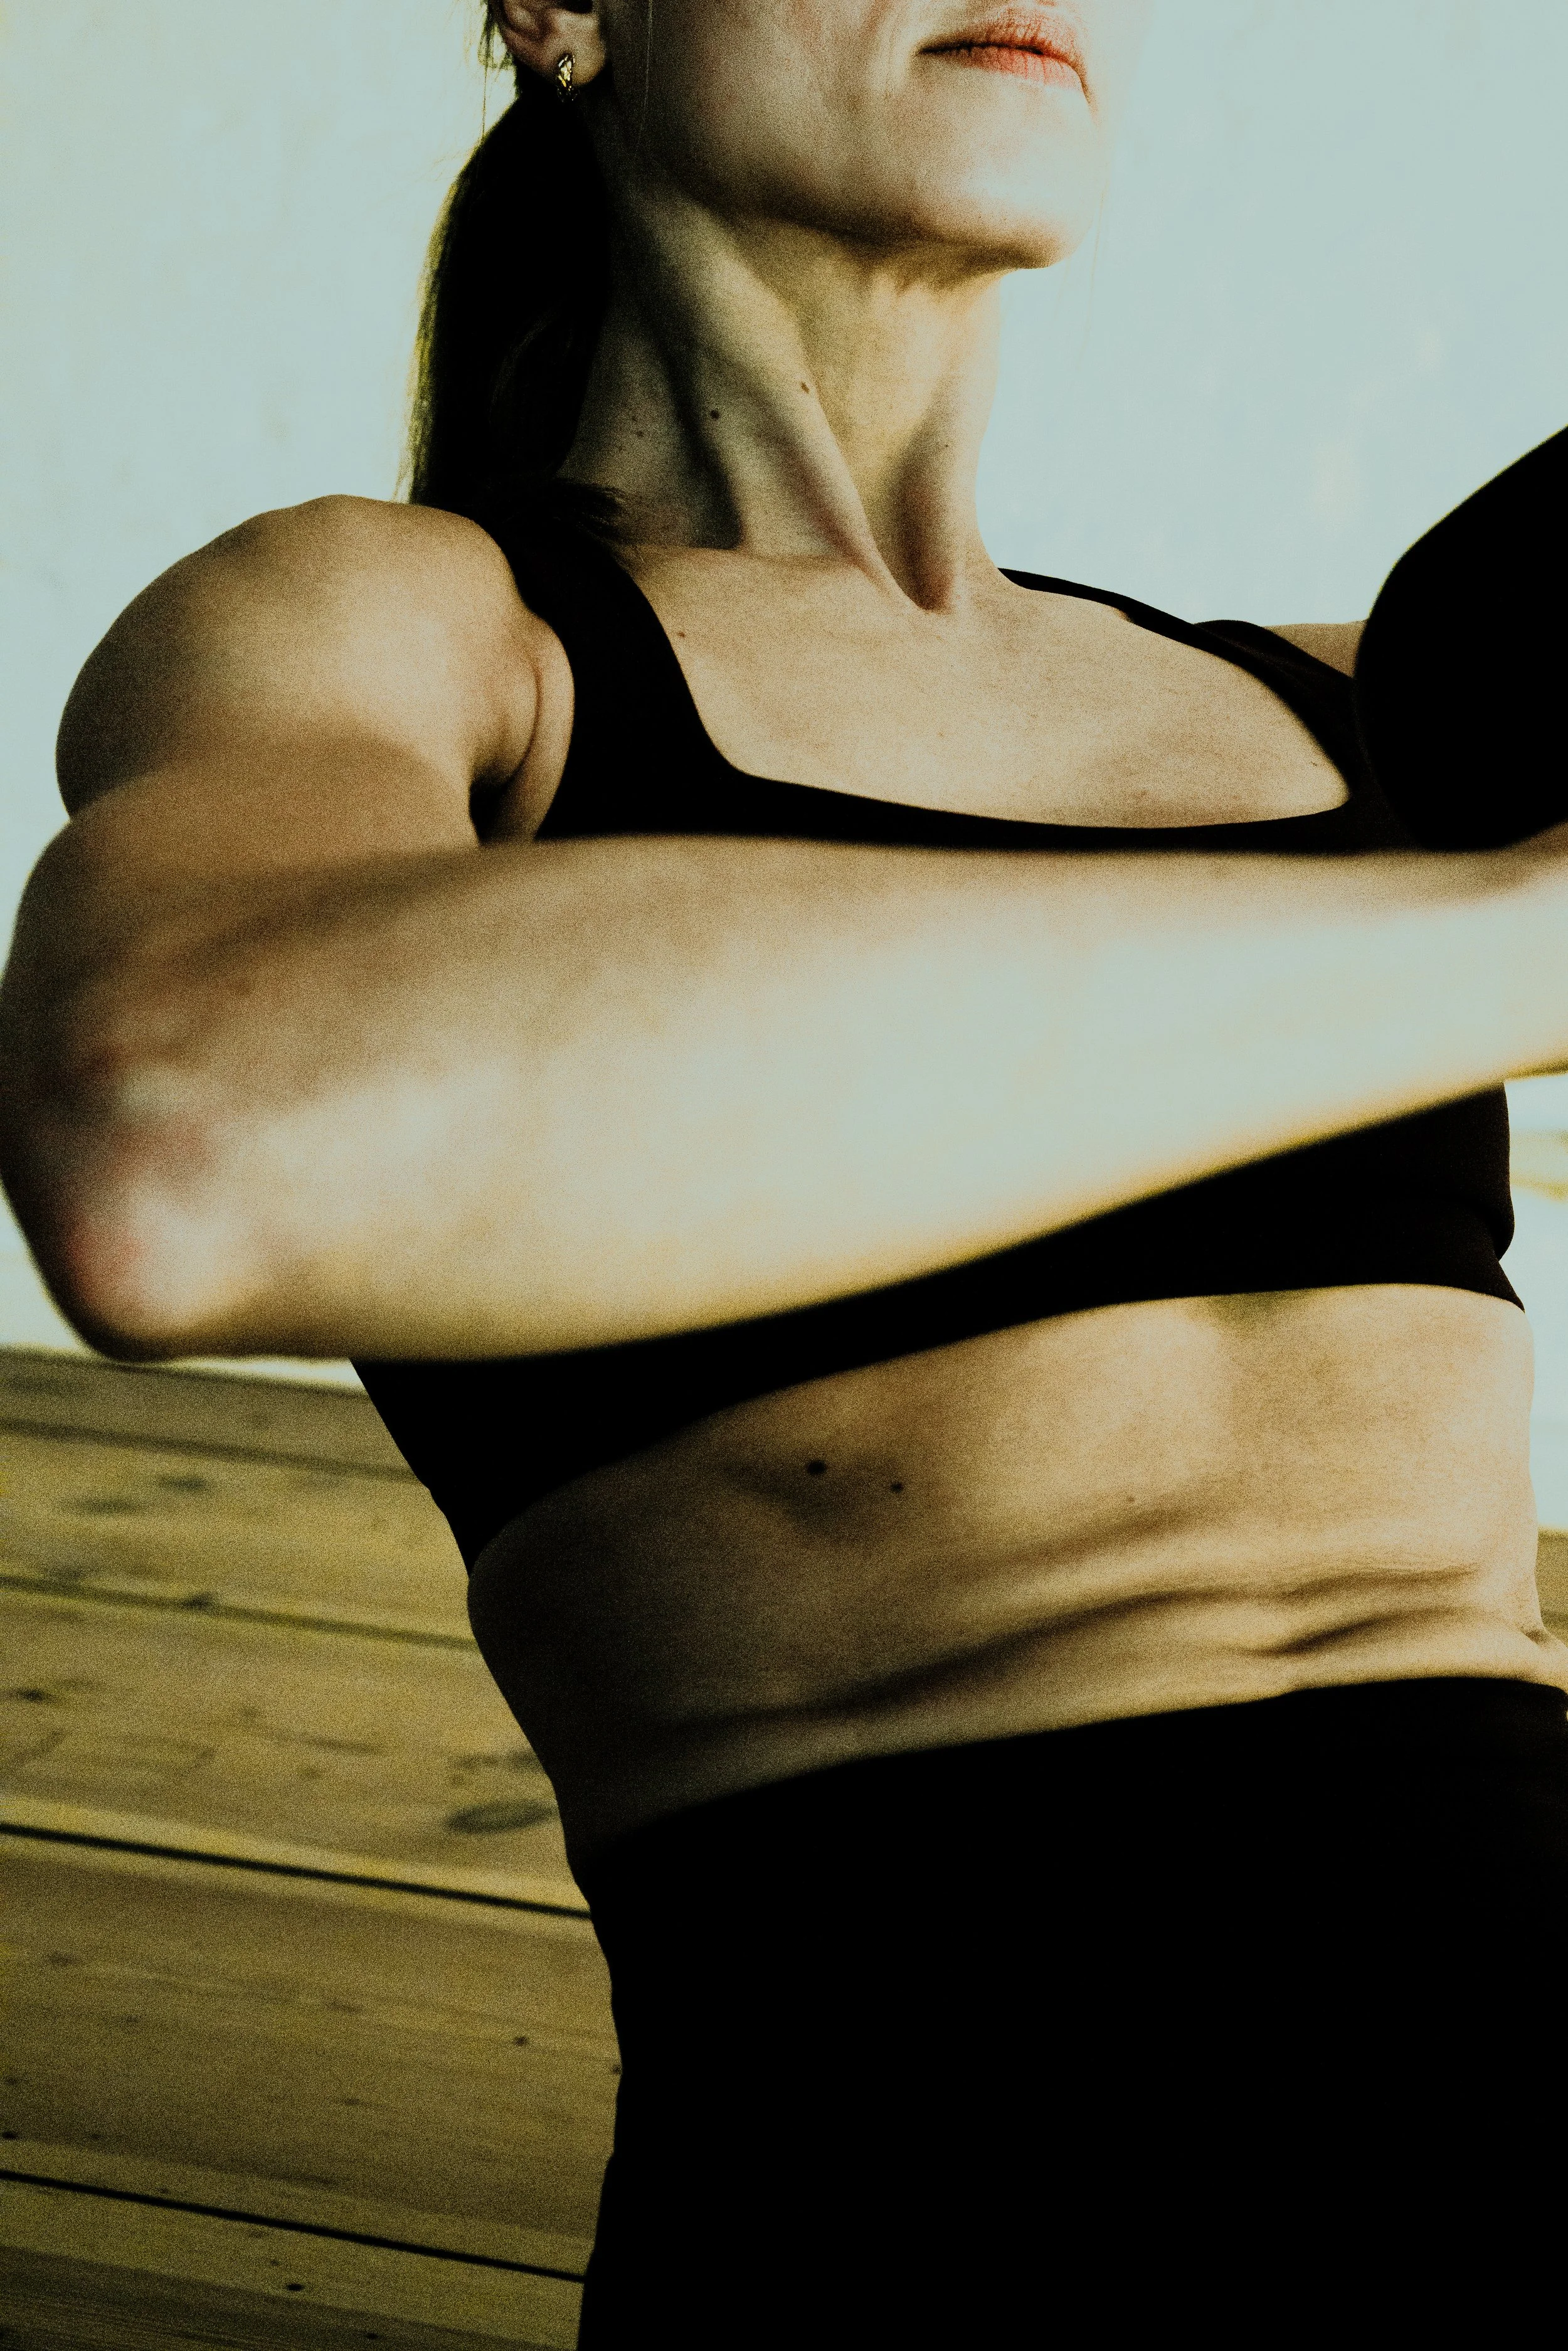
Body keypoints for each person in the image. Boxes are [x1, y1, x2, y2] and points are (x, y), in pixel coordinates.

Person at [3, 1, 1566, 2337]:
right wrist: (1523, 942)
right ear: (561, 7)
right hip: (948, 2180)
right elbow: (187, 1143)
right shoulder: (417, 641)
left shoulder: (1371, 712)